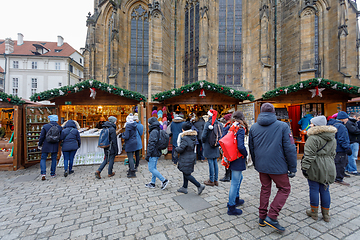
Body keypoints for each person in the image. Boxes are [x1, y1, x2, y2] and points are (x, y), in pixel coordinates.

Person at [249, 103, 297, 232]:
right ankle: (272, 216)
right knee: (285, 188)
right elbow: (290, 148)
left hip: (262, 164)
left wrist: (256, 163)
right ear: (274, 112)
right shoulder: (282, 126)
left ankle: (262, 217)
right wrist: (292, 167)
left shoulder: (254, 127)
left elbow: (251, 148)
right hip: (278, 165)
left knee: (265, 189)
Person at [301, 116, 337, 222]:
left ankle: (314, 212)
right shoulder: (332, 137)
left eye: (312, 123)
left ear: (316, 125)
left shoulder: (313, 138)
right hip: (329, 165)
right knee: (325, 189)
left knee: (314, 189)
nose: (310, 125)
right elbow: (333, 153)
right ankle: (326, 215)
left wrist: (304, 167)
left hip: (315, 165)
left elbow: (309, 155)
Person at [224, 111, 248, 215]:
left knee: (239, 178)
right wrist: (246, 154)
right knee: (234, 182)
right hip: (237, 157)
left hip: (230, 156)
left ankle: (236, 198)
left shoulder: (228, 126)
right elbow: (241, 146)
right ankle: (231, 206)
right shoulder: (240, 129)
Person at [175, 122, 205, 195]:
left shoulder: (185, 138)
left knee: (187, 174)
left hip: (186, 157)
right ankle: (184, 187)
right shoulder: (192, 136)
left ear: (183, 129)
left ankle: (199, 185)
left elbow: (181, 148)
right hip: (191, 156)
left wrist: (176, 149)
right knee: (185, 172)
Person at [327, 111, 352, 185]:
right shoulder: (341, 127)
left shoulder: (332, 124)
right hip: (340, 149)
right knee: (341, 163)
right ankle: (338, 178)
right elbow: (342, 139)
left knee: (336, 163)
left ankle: (334, 176)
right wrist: (347, 148)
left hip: (333, 148)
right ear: (343, 119)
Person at [145, 117, 169, 190]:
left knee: (151, 169)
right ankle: (152, 183)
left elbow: (151, 143)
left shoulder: (153, 131)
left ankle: (164, 180)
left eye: (148, 122)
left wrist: (148, 154)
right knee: (154, 168)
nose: (148, 124)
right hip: (157, 151)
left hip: (153, 152)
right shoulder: (157, 129)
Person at [202, 109, 223, 186]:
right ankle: (216, 180)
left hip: (208, 144)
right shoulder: (219, 123)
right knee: (215, 162)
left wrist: (203, 142)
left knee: (210, 162)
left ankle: (211, 180)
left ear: (209, 115)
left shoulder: (208, 123)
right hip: (216, 145)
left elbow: (204, 136)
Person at [38, 115, 63, 181]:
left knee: (43, 158)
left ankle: (43, 173)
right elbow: (61, 137)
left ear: (50, 119)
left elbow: (42, 137)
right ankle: (53, 173)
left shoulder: (45, 126)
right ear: (57, 120)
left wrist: (40, 145)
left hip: (46, 145)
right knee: (54, 159)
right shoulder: (60, 128)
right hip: (55, 145)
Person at [121, 114, 138, 178]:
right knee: (131, 156)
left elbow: (127, 136)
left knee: (130, 157)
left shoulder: (128, 126)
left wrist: (122, 136)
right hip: (134, 141)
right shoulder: (134, 124)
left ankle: (132, 172)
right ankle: (131, 170)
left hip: (129, 143)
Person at [220, 113, 233, 182]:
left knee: (226, 161)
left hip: (227, 146)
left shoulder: (227, 126)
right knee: (230, 161)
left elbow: (224, 137)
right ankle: (230, 175)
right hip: (232, 146)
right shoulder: (234, 125)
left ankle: (227, 176)